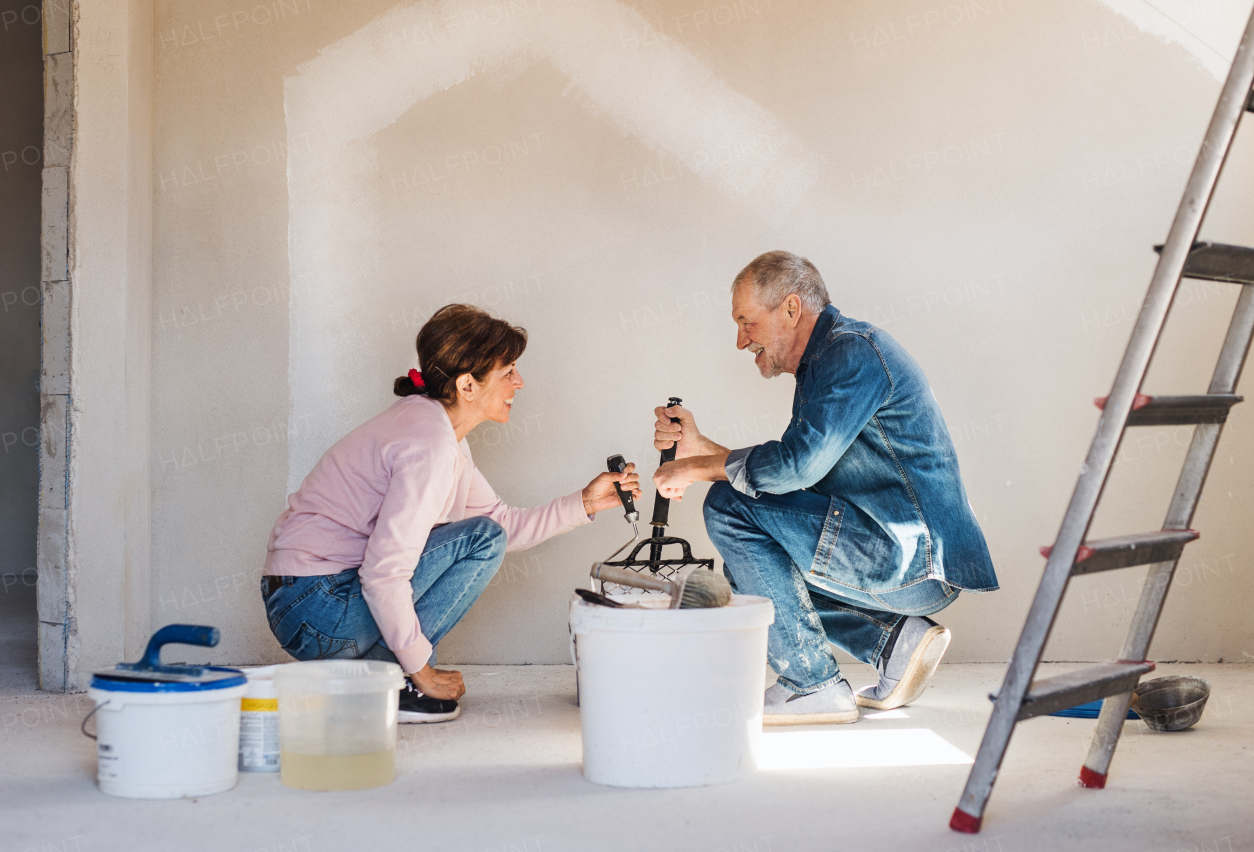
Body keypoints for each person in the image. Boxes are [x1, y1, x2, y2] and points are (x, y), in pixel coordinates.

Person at [651, 251, 997, 725]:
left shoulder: (852, 353)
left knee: (729, 506)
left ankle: (810, 683)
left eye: (746, 322)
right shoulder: (829, 361)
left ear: (791, 309)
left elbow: (795, 468)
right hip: (901, 554)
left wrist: (699, 470)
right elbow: (788, 479)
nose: (739, 341)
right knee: (752, 568)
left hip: (913, 560)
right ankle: (894, 642)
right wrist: (700, 451)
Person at [262, 304, 640, 723]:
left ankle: (374, 679)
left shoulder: (439, 433)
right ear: (467, 386)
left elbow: (503, 524)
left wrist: (586, 502)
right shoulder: (430, 446)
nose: (520, 382)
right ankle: (393, 682)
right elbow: (385, 572)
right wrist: (421, 670)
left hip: (310, 603)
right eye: (508, 371)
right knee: (480, 538)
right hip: (317, 608)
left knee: (485, 533)